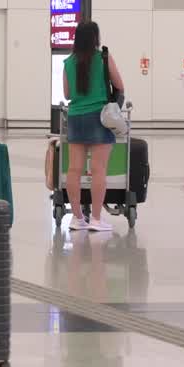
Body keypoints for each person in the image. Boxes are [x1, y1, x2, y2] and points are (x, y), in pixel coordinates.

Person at [63, 21, 125, 232]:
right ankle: (97, 219)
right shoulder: (103, 58)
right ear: (95, 38)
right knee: (99, 170)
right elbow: (119, 85)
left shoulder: (68, 62)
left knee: (74, 169)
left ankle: (77, 217)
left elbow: (68, 94)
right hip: (98, 117)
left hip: (75, 117)